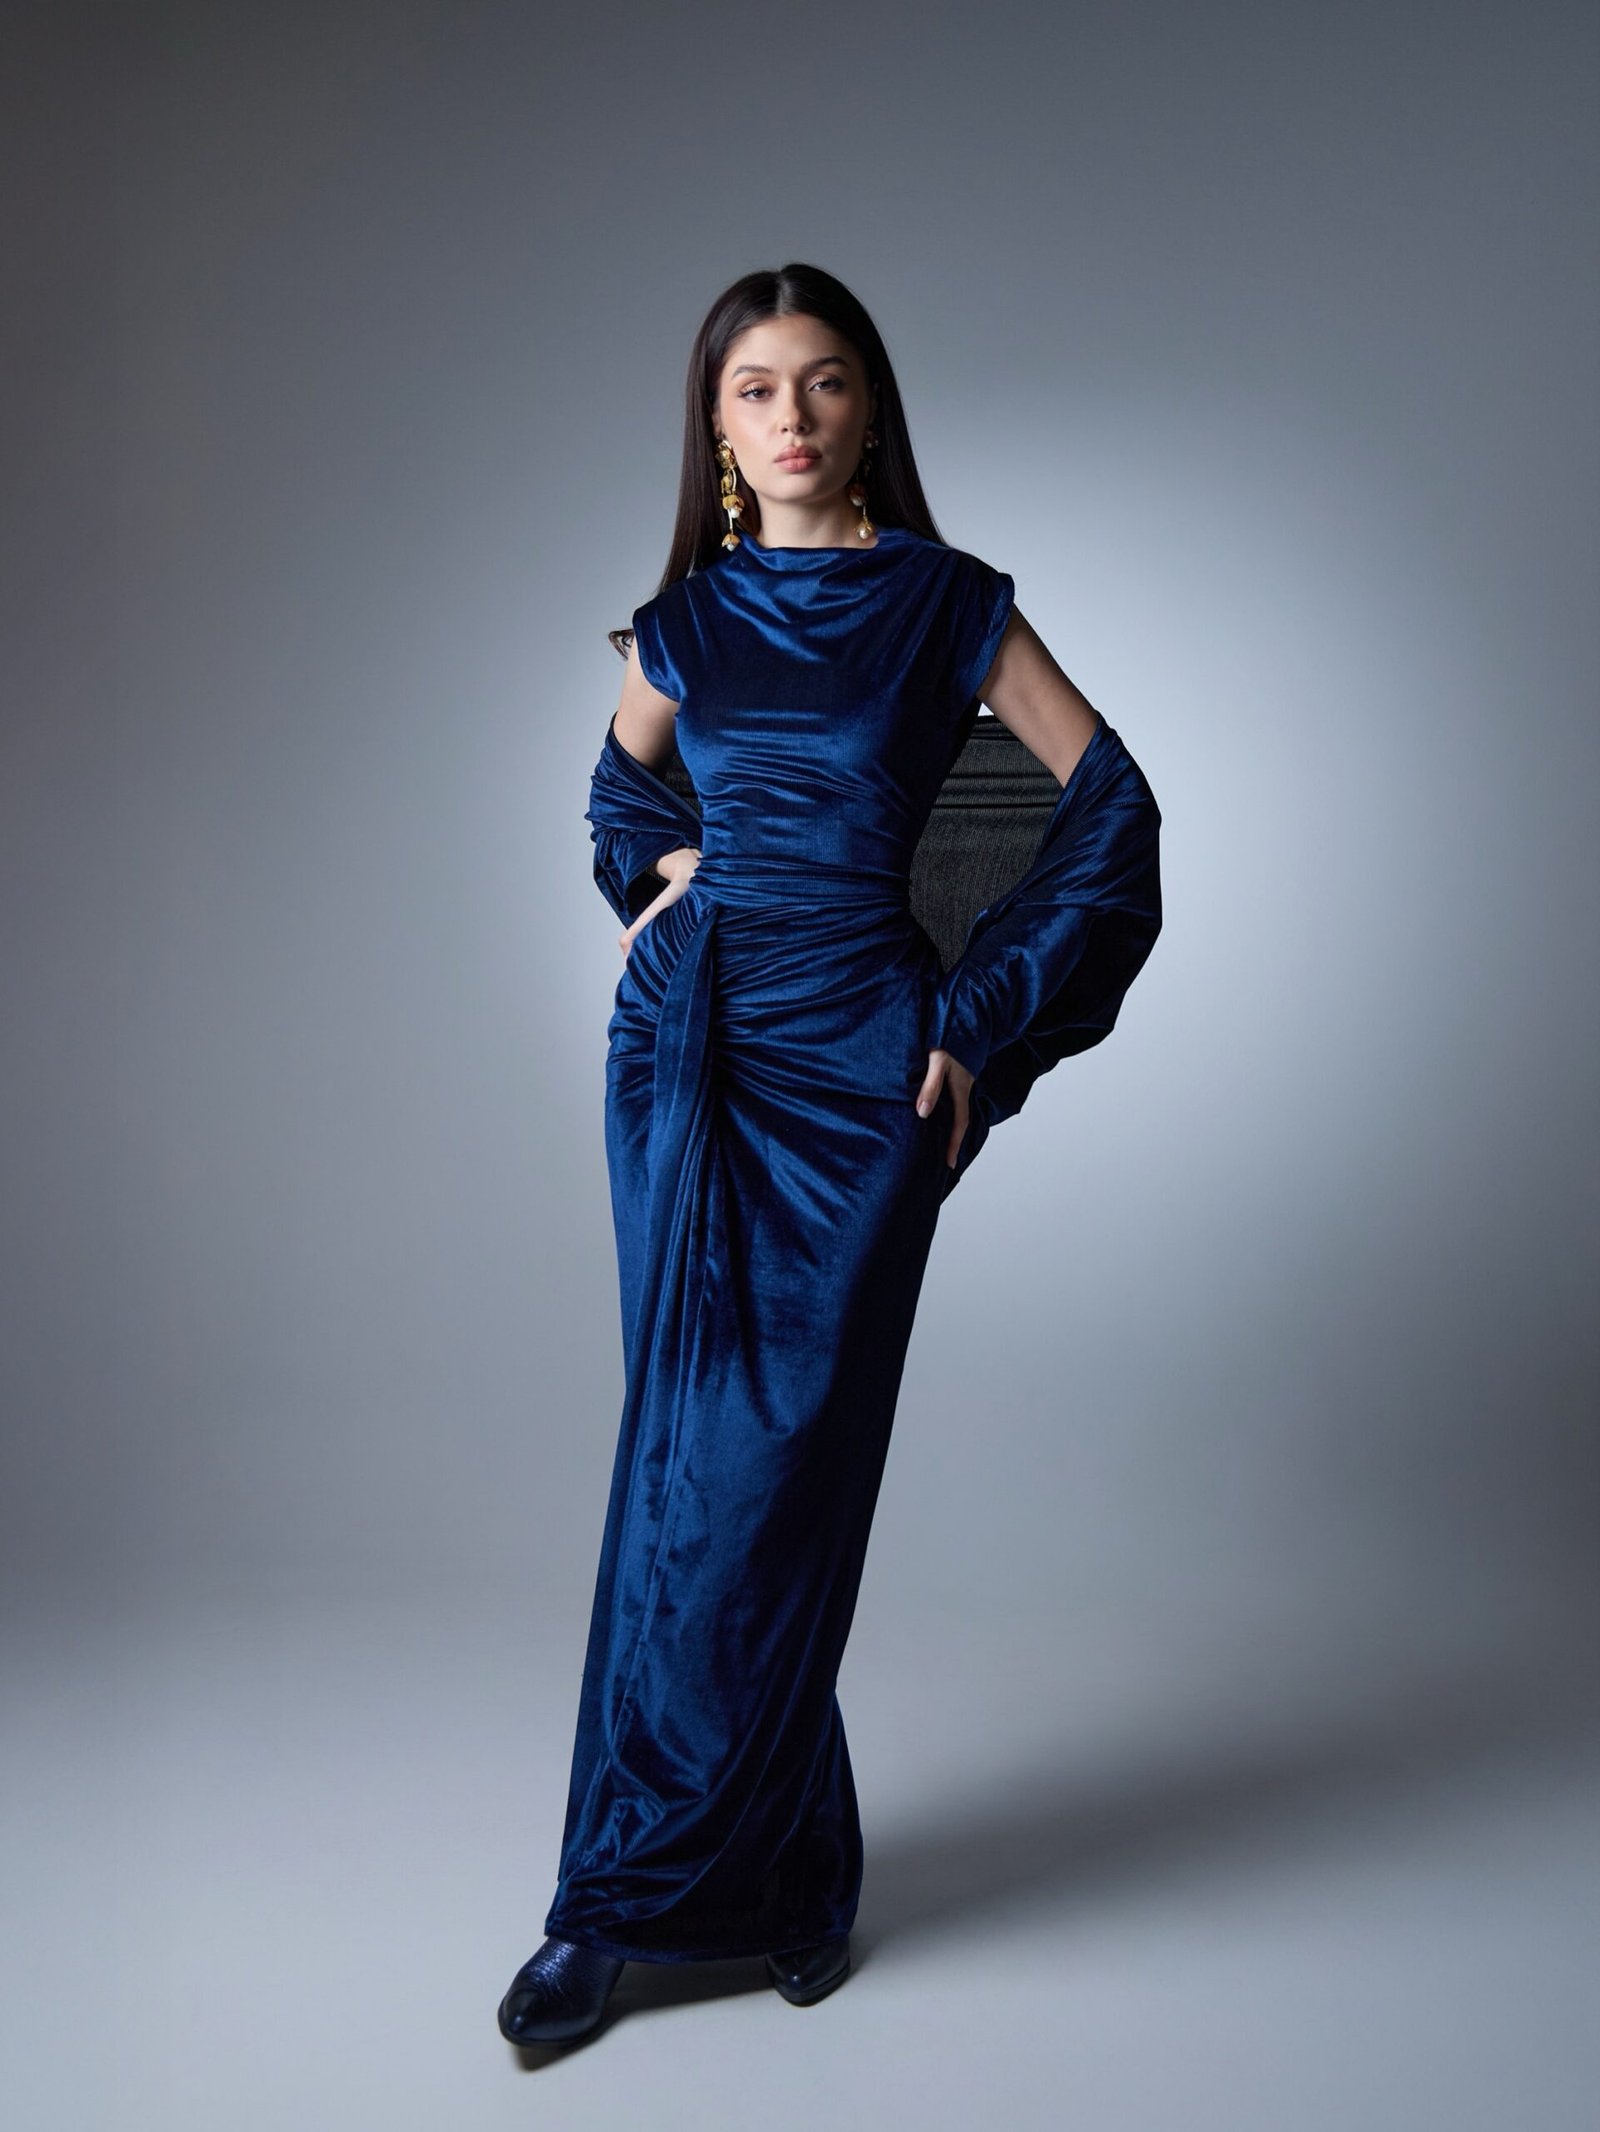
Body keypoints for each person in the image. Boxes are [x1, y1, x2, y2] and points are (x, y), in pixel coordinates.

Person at [498, 263, 1163, 2048]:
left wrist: (983, 1016)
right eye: (754, 389)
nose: (790, 416)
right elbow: (621, 799)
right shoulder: (685, 624)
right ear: (716, 429)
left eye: (824, 381)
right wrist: (662, 873)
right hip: (693, 1056)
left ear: (870, 408)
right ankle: (624, 1898)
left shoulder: (949, 603)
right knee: (686, 1462)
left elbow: (1107, 808)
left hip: (862, 1066)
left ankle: (774, 1858)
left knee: (784, 1468)